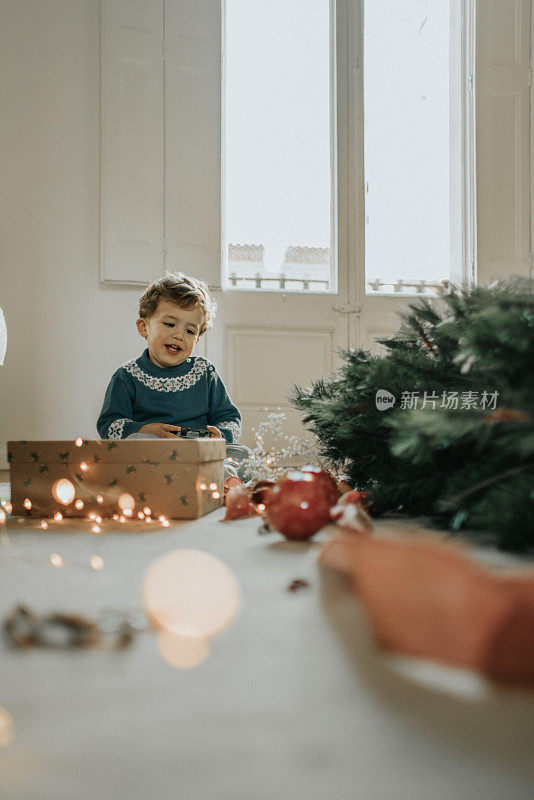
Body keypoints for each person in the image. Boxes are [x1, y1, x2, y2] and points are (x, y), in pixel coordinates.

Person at [96, 272, 249, 480]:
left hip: (199, 453)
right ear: (144, 327)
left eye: (190, 331)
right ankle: (164, 481)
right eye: (169, 324)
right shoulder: (126, 377)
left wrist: (219, 436)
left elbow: (230, 418)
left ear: (197, 338)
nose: (178, 335)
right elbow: (109, 426)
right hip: (152, 455)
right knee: (137, 443)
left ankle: (225, 482)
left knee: (241, 454)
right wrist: (148, 429)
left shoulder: (205, 373)